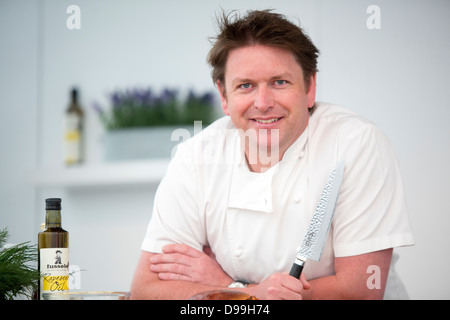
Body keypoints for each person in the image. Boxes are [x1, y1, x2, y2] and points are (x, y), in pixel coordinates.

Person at [130, 9, 414, 300]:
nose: (263, 103)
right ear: (224, 96)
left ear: (310, 87)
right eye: (245, 86)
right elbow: (146, 291)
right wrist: (252, 294)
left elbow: (360, 292)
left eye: (279, 82)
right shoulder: (195, 157)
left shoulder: (355, 143)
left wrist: (232, 289)